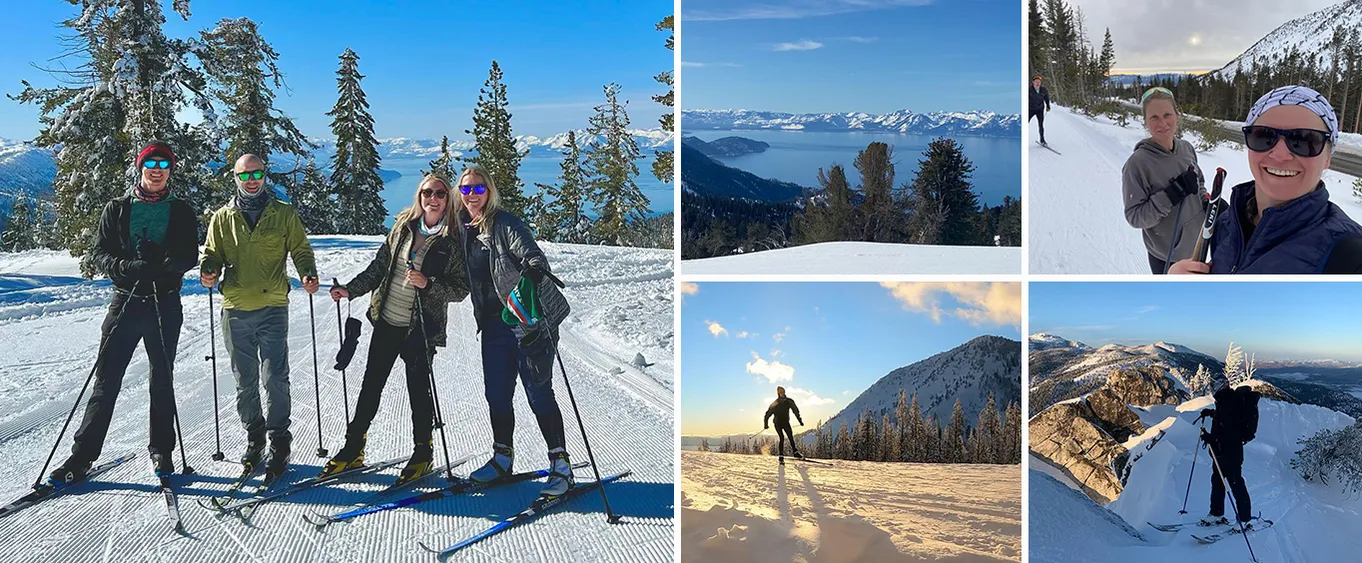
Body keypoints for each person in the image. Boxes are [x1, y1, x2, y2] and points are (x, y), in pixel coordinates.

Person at [48, 142, 200, 484]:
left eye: (164, 163)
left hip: (164, 302)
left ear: (170, 170)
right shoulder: (117, 209)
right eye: (151, 163)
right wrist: (130, 266)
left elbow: (188, 256)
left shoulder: (182, 211)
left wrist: (161, 262)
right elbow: (100, 255)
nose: (157, 169)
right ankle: (82, 457)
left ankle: (162, 449)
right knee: (105, 382)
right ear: (140, 167)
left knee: (162, 380)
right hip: (125, 302)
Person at [323, 172, 469, 486]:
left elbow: (461, 289)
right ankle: (353, 447)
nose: (433, 198)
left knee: (419, 391)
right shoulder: (404, 227)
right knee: (370, 386)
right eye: (428, 192)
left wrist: (428, 284)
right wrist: (351, 290)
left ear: (448, 199)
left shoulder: (452, 241)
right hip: (387, 320)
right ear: (420, 196)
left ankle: (422, 452)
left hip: (420, 328)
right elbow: (379, 267)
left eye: (440, 194)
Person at [455, 166, 576, 497]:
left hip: (529, 325)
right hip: (494, 328)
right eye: (466, 190)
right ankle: (502, 458)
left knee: (539, 395)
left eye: (478, 189)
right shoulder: (465, 229)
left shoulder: (506, 224)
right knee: (496, 394)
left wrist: (534, 272)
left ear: (490, 191)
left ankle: (561, 466)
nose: (472, 195)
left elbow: (533, 255)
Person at [200, 154, 319, 480]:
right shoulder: (222, 219)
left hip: (273, 308)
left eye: (256, 173)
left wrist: (308, 272)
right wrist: (208, 270)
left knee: (275, 378)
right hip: (236, 310)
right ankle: (255, 439)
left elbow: (301, 249)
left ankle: (279, 440)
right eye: (244, 174)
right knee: (245, 382)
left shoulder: (283, 214)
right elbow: (212, 253)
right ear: (235, 178)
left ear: (265, 175)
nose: (251, 179)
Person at [1170, 85, 1362, 274]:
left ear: (1328, 157)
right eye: (1263, 136)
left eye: (1304, 140)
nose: (1280, 155)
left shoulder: (1351, 256)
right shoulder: (1227, 224)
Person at [1122, 87, 1207, 274]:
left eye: (1167, 114)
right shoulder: (1137, 164)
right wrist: (1170, 195)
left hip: (1198, 246)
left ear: (1177, 115)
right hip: (1166, 257)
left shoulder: (1186, 149)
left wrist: (1206, 202)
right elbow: (1135, 217)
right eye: (1154, 117)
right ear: (1145, 121)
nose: (1163, 123)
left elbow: (1199, 182)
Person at [1193, 379, 1260, 529]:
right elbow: (1223, 419)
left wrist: (1212, 438)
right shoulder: (1225, 401)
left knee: (1236, 484)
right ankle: (1216, 513)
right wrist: (1211, 413)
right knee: (1217, 482)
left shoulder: (1229, 402)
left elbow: (1230, 430)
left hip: (1231, 453)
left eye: (1214, 387)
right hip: (1220, 452)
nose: (1212, 390)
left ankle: (1245, 519)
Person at [763, 386, 804, 461]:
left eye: (783, 392)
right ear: (778, 394)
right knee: (781, 438)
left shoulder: (789, 401)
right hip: (777, 423)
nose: (782, 394)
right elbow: (768, 414)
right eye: (780, 393)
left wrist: (800, 421)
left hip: (786, 422)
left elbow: (796, 411)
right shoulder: (775, 403)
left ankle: (795, 452)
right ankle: (781, 455)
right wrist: (765, 424)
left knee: (790, 437)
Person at [1029, 75, 1052, 145]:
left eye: (1039, 82)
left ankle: (1042, 140)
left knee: (1041, 125)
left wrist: (1048, 106)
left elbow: (1046, 98)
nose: (1037, 83)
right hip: (1030, 109)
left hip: (1040, 109)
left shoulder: (1043, 90)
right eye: (1036, 82)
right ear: (1033, 82)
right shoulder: (1029, 90)